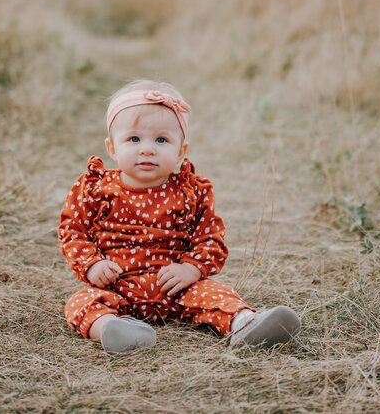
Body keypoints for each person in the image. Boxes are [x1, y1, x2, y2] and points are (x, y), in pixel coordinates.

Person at [58, 80, 301, 354]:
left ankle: (245, 323)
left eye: (161, 140)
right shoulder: (95, 187)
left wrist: (191, 269)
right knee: (80, 302)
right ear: (112, 147)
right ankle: (113, 329)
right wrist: (91, 264)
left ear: (180, 151)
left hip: (177, 290)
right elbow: (72, 230)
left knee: (216, 293)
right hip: (117, 289)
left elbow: (210, 237)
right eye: (134, 139)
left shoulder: (190, 191)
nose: (147, 149)